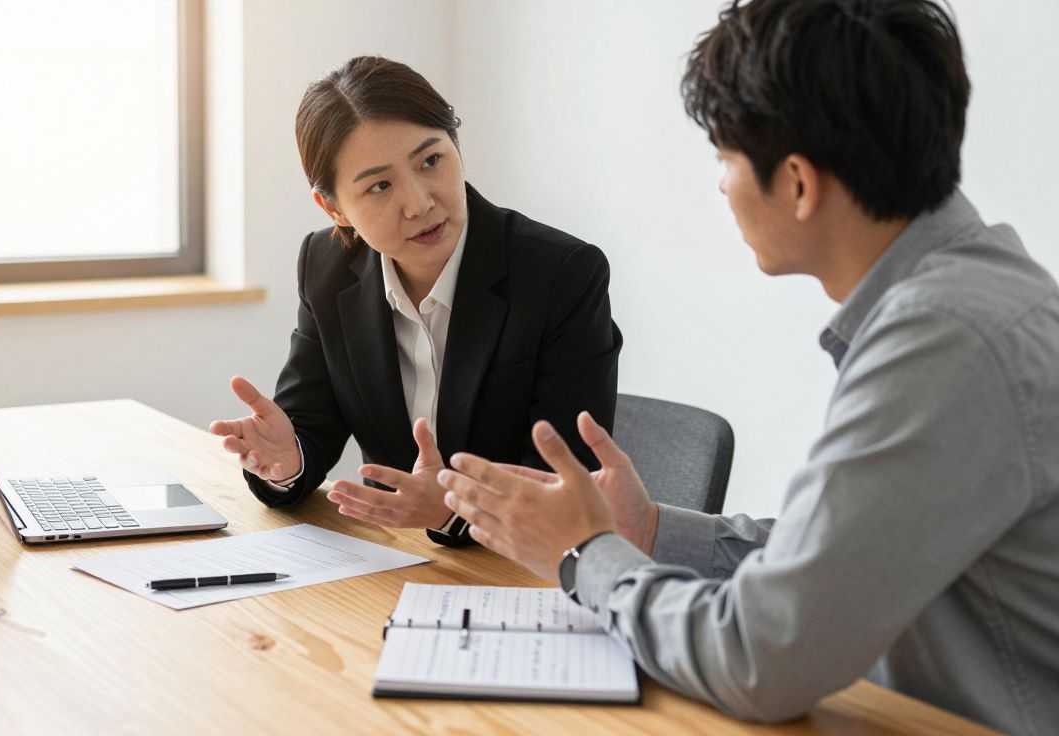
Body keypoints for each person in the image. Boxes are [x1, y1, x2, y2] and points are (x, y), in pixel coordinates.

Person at [437, 0, 1059, 732]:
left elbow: (759, 658)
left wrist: (583, 555)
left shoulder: (942, 340)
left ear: (797, 182)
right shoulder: (973, 285)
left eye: (724, 157)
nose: (721, 185)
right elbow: (839, 560)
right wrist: (650, 532)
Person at [209, 56, 623, 546]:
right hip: (390, 561)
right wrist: (288, 459)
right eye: (380, 185)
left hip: (521, 572)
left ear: (457, 147)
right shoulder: (326, 266)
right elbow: (311, 422)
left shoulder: (560, 273)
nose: (420, 202)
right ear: (334, 208)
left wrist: (449, 511)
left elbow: (566, 478)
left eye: (431, 161)